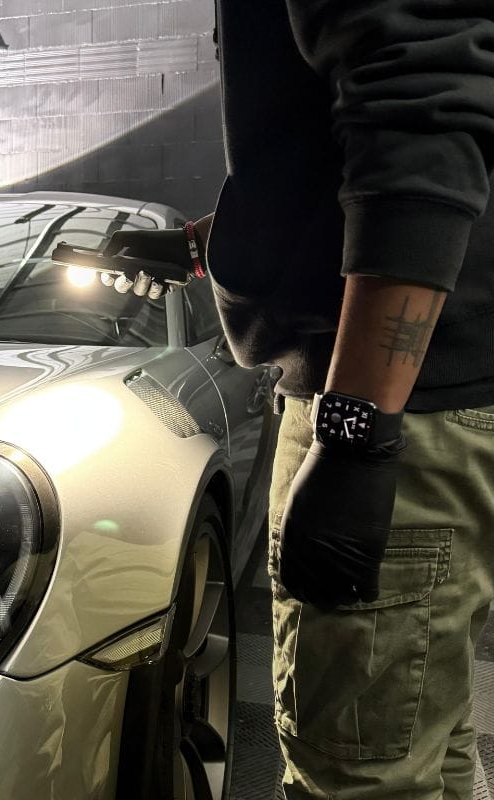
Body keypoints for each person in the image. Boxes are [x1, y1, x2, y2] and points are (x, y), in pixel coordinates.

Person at [88, 1, 494, 797]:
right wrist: (218, 243)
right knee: (424, 741)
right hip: (420, 404)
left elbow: (424, 115)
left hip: (394, 407)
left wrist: (355, 434)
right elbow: (328, 153)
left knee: (356, 775)